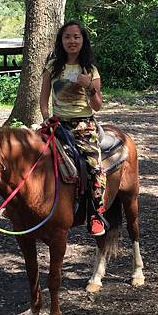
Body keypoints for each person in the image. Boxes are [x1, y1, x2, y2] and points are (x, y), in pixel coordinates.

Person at [40, 21, 106, 236]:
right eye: (67, 37)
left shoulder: (90, 69)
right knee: (31, 155)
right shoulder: (52, 66)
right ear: (61, 41)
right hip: (57, 124)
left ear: (83, 40)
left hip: (83, 126)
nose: (72, 41)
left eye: (76, 37)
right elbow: (43, 99)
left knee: (94, 167)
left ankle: (96, 213)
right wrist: (46, 118)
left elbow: (97, 105)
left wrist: (89, 85)